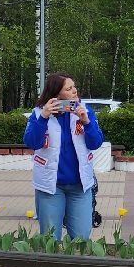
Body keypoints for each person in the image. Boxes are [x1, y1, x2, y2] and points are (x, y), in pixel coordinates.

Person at [24, 73, 105, 239]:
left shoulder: (85, 110)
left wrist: (86, 122)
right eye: (69, 89)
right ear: (56, 94)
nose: (75, 91)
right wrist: (43, 117)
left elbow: (96, 143)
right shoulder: (39, 113)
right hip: (51, 187)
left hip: (80, 187)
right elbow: (32, 142)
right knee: (50, 238)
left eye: (74, 87)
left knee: (81, 238)